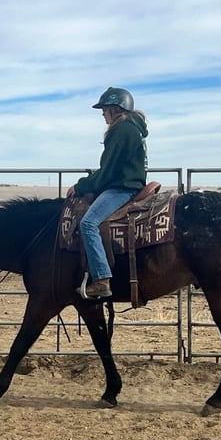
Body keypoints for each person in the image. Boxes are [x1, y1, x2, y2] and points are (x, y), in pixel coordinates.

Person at [67, 87, 149, 298]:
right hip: (129, 184)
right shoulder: (133, 128)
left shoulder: (121, 130)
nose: (102, 113)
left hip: (122, 188)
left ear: (114, 108)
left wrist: (80, 186)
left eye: (104, 109)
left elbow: (108, 172)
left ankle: (102, 278)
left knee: (88, 223)